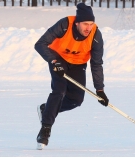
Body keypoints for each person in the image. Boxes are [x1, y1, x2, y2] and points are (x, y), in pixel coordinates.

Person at [34, 2, 109, 150]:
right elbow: (40, 44)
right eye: (85, 24)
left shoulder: (96, 36)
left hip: (78, 64)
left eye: (91, 24)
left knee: (76, 100)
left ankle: (46, 109)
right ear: (77, 23)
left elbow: (96, 64)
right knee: (59, 91)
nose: (88, 28)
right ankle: (45, 129)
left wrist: (100, 90)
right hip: (58, 58)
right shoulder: (64, 25)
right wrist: (54, 61)